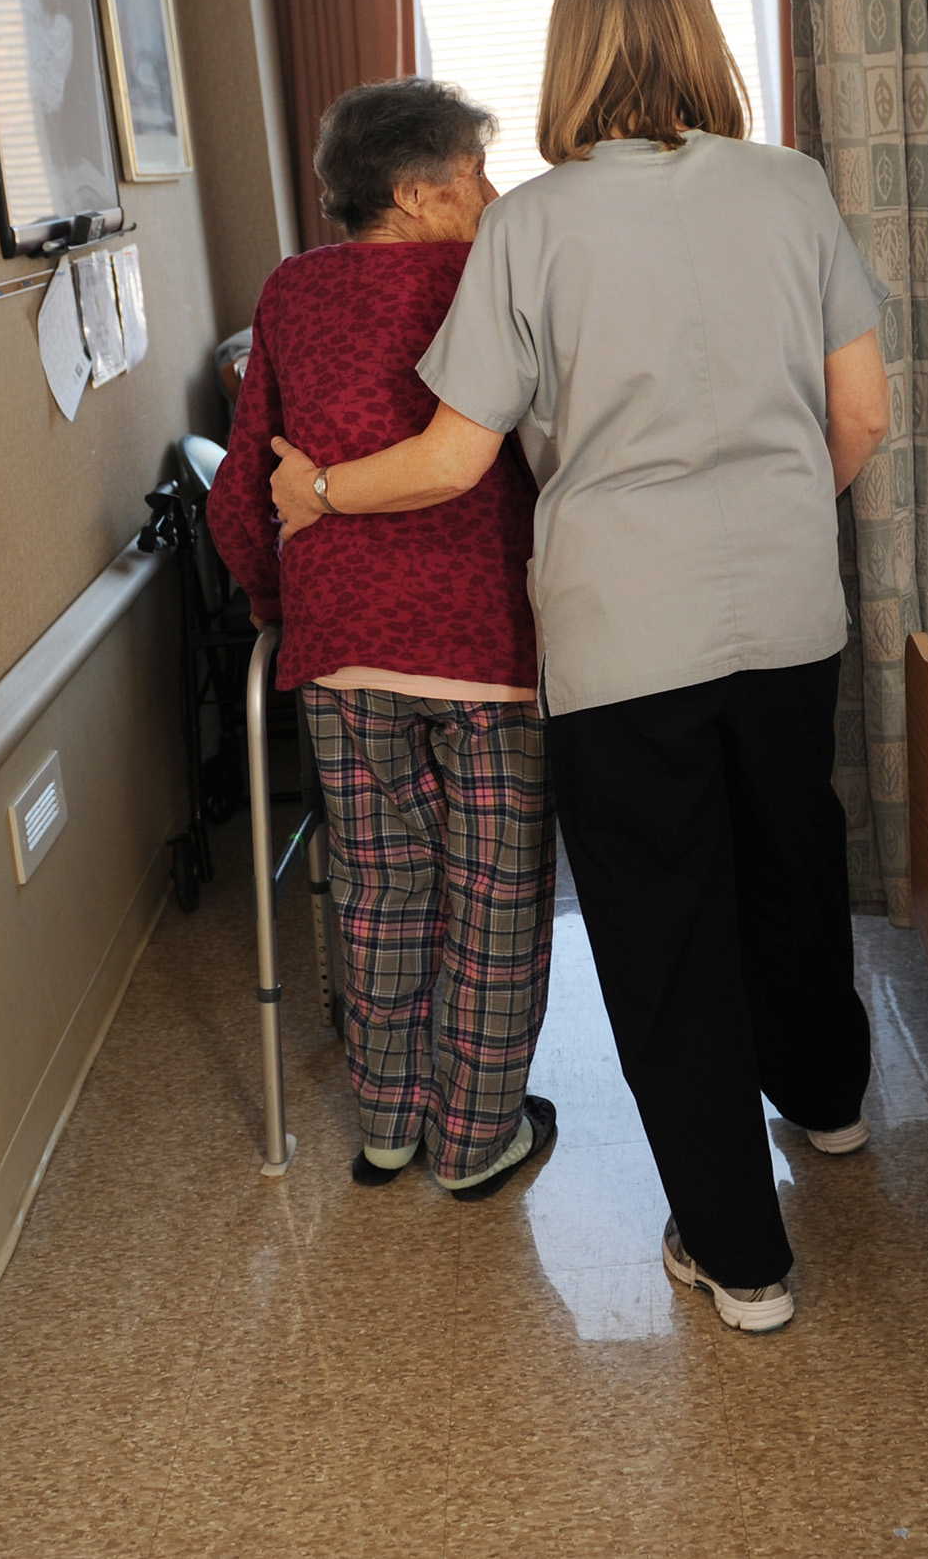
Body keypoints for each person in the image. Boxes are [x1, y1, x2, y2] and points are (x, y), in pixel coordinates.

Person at [268, 0, 892, 1331]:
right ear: (700, 33)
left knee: (668, 930)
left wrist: (315, 491)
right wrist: (777, 509)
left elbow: (448, 461)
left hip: (622, 633)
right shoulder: (792, 190)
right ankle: (834, 1103)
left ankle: (743, 1257)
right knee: (793, 856)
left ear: (570, 54)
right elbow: (862, 415)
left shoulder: (532, 227)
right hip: (791, 604)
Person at [207, 79, 560, 1202]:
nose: (490, 195)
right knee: (495, 896)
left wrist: (279, 603)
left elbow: (238, 490)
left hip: (343, 647)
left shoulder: (291, 292)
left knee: (376, 886)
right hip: (483, 642)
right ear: (414, 192)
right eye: (470, 175)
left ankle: (391, 1125)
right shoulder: (488, 278)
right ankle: (476, 1138)